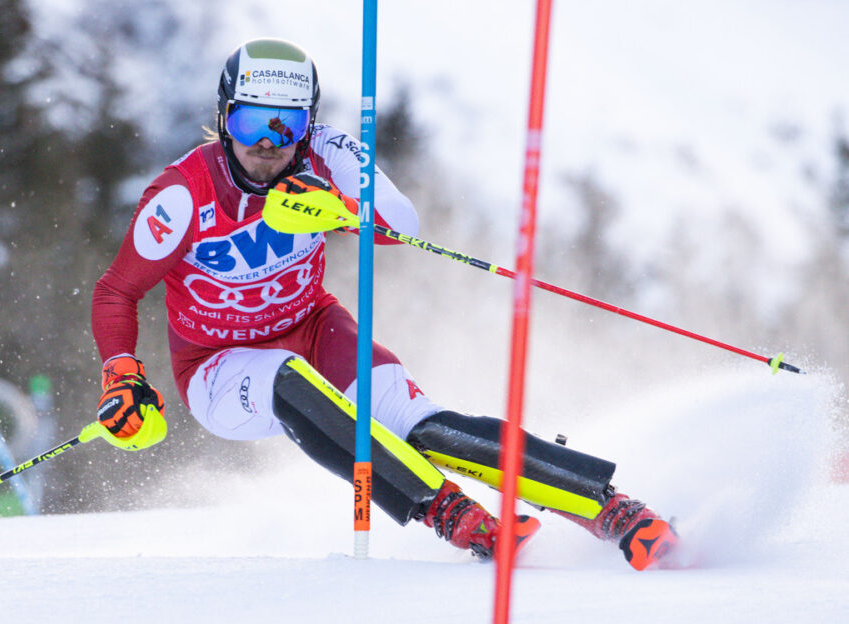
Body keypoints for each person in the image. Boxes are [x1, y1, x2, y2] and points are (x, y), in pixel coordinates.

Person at [92, 37, 678, 570]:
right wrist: (121, 373)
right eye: (250, 123)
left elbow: (402, 225)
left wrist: (342, 204)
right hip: (218, 368)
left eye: (287, 124)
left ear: (308, 124)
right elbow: (116, 290)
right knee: (285, 377)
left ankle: (613, 511)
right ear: (224, 118)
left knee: (421, 427)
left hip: (314, 328)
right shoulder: (181, 195)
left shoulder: (323, 154)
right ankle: (449, 514)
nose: (268, 145)